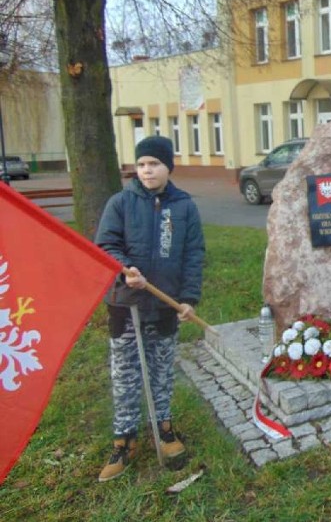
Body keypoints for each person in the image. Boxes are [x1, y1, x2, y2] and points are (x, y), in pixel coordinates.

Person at [95, 136, 205, 481]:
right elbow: (106, 245)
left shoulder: (184, 206)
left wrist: (188, 299)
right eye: (141, 164)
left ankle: (164, 427)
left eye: (154, 164)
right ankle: (124, 438)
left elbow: (193, 255)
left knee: (161, 371)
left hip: (164, 305)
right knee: (126, 374)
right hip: (125, 306)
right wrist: (124, 269)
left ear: (167, 167)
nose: (147, 170)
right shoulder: (120, 203)